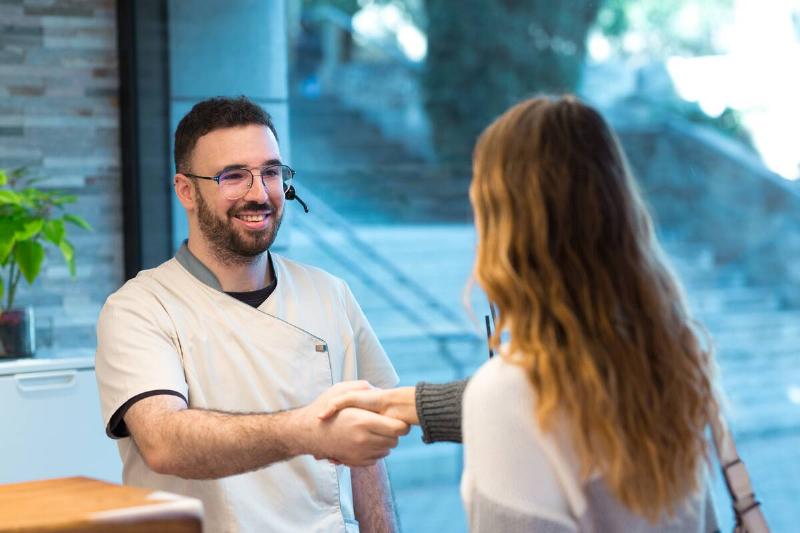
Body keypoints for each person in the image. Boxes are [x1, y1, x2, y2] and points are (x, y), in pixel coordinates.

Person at [321, 95, 720, 532]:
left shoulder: (509, 395)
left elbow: (529, 399)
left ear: (506, 230)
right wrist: (405, 402)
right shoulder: (669, 356)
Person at [94, 96, 407, 533]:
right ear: (186, 190)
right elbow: (164, 442)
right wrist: (307, 433)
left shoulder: (330, 294)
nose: (259, 194)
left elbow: (366, 458)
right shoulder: (140, 308)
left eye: (271, 173)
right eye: (234, 176)